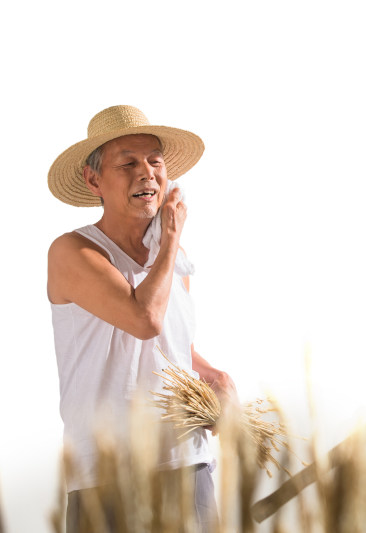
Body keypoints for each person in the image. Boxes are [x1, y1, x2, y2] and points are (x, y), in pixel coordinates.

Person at [47, 105, 236, 532]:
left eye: (155, 161)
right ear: (93, 179)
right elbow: (144, 319)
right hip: (108, 474)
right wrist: (171, 237)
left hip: (187, 462)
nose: (147, 174)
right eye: (128, 163)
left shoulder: (173, 260)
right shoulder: (73, 253)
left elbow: (170, 346)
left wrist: (212, 377)